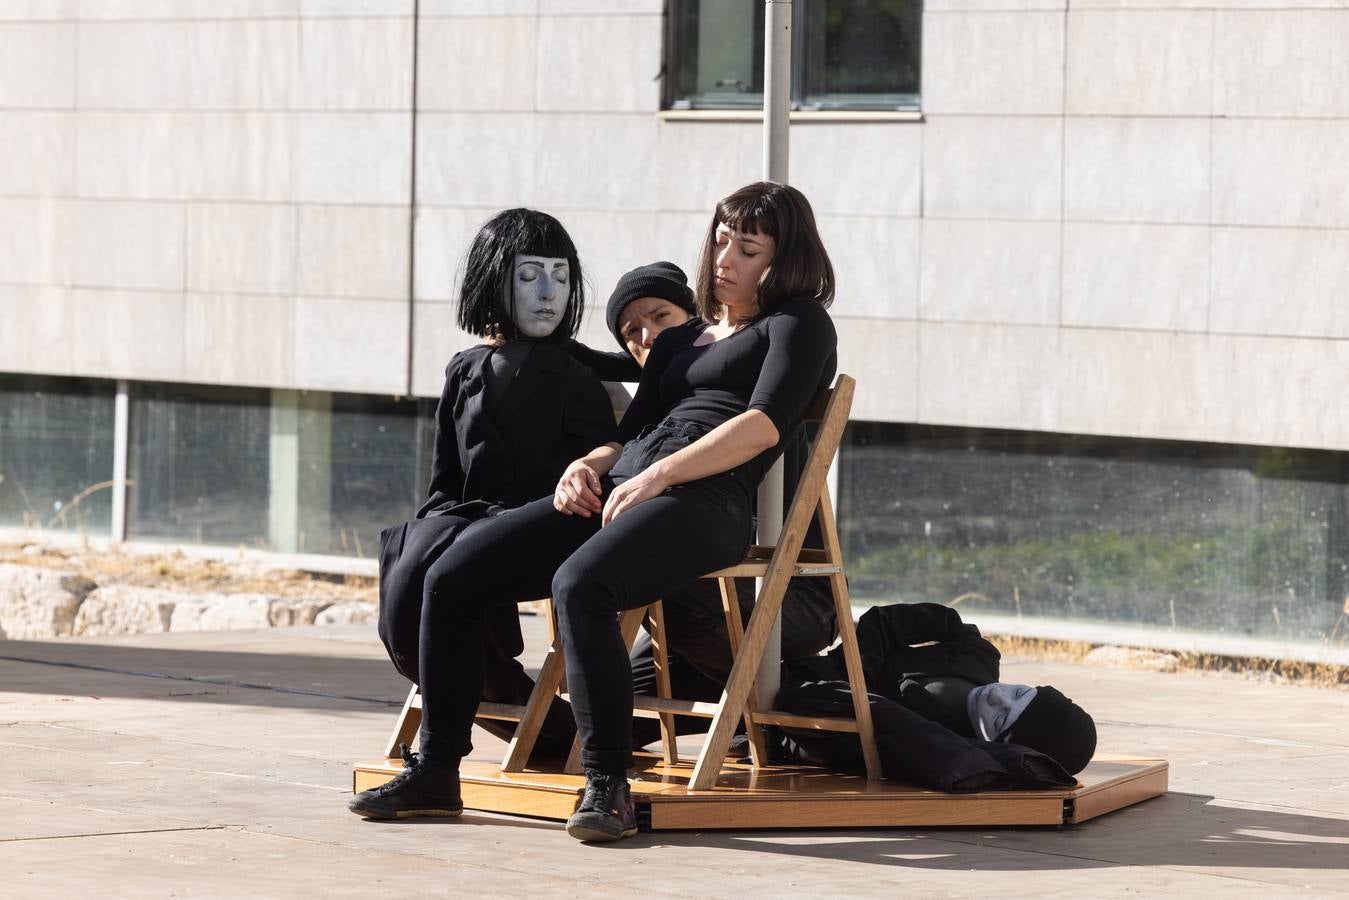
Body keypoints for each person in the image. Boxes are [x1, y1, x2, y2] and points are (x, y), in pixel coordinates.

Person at [349, 181, 839, 844]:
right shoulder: (680, 342)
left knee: (581, 585)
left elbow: (762, 425)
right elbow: (631, 432)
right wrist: (588, 465)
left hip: (707, 501)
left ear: (783, 260)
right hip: (624, 490)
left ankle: (607, 785)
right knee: (451, 574)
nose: (724, 256)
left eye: (746, 248)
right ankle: (436, 770)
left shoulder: (797, 323)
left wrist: (662, 471)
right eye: (721, 239)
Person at [374, 208, 615, 749]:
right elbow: (447, 474)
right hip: (468, 516)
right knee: (408, 559)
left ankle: (503, 738)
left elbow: (607, 445)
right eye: (528, 276)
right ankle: (527, 721)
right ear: (493, 280)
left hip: (541, 523)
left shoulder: (574, 377)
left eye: (560, 276)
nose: (548, 293)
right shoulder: (464, 369)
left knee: (440, 570)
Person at [771, 602, 1098, 791]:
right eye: (1019, 693)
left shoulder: (939, 739)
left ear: (998, 743)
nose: (997, 697)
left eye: (999, 719)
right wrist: (859, 672)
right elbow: (885, 622)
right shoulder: (978, 654)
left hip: (794, 700)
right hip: (806, 657)